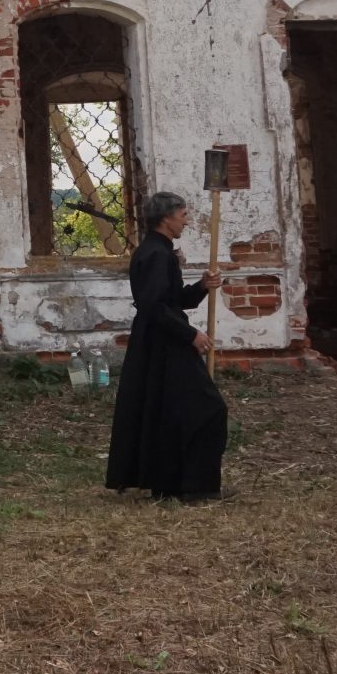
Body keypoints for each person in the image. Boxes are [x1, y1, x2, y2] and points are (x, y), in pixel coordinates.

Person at [107, 192, 229, 502]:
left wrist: (202, 286)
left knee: (167, 411)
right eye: (183, 215)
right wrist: (190, 335)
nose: (186, 221)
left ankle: (172, 484)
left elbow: (173, 300)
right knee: (207, 407)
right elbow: (154, 306)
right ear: (166, 218)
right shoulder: (156, 254)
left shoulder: (160, 252)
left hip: (160, 339)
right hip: (164, 342)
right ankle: (193, 485)